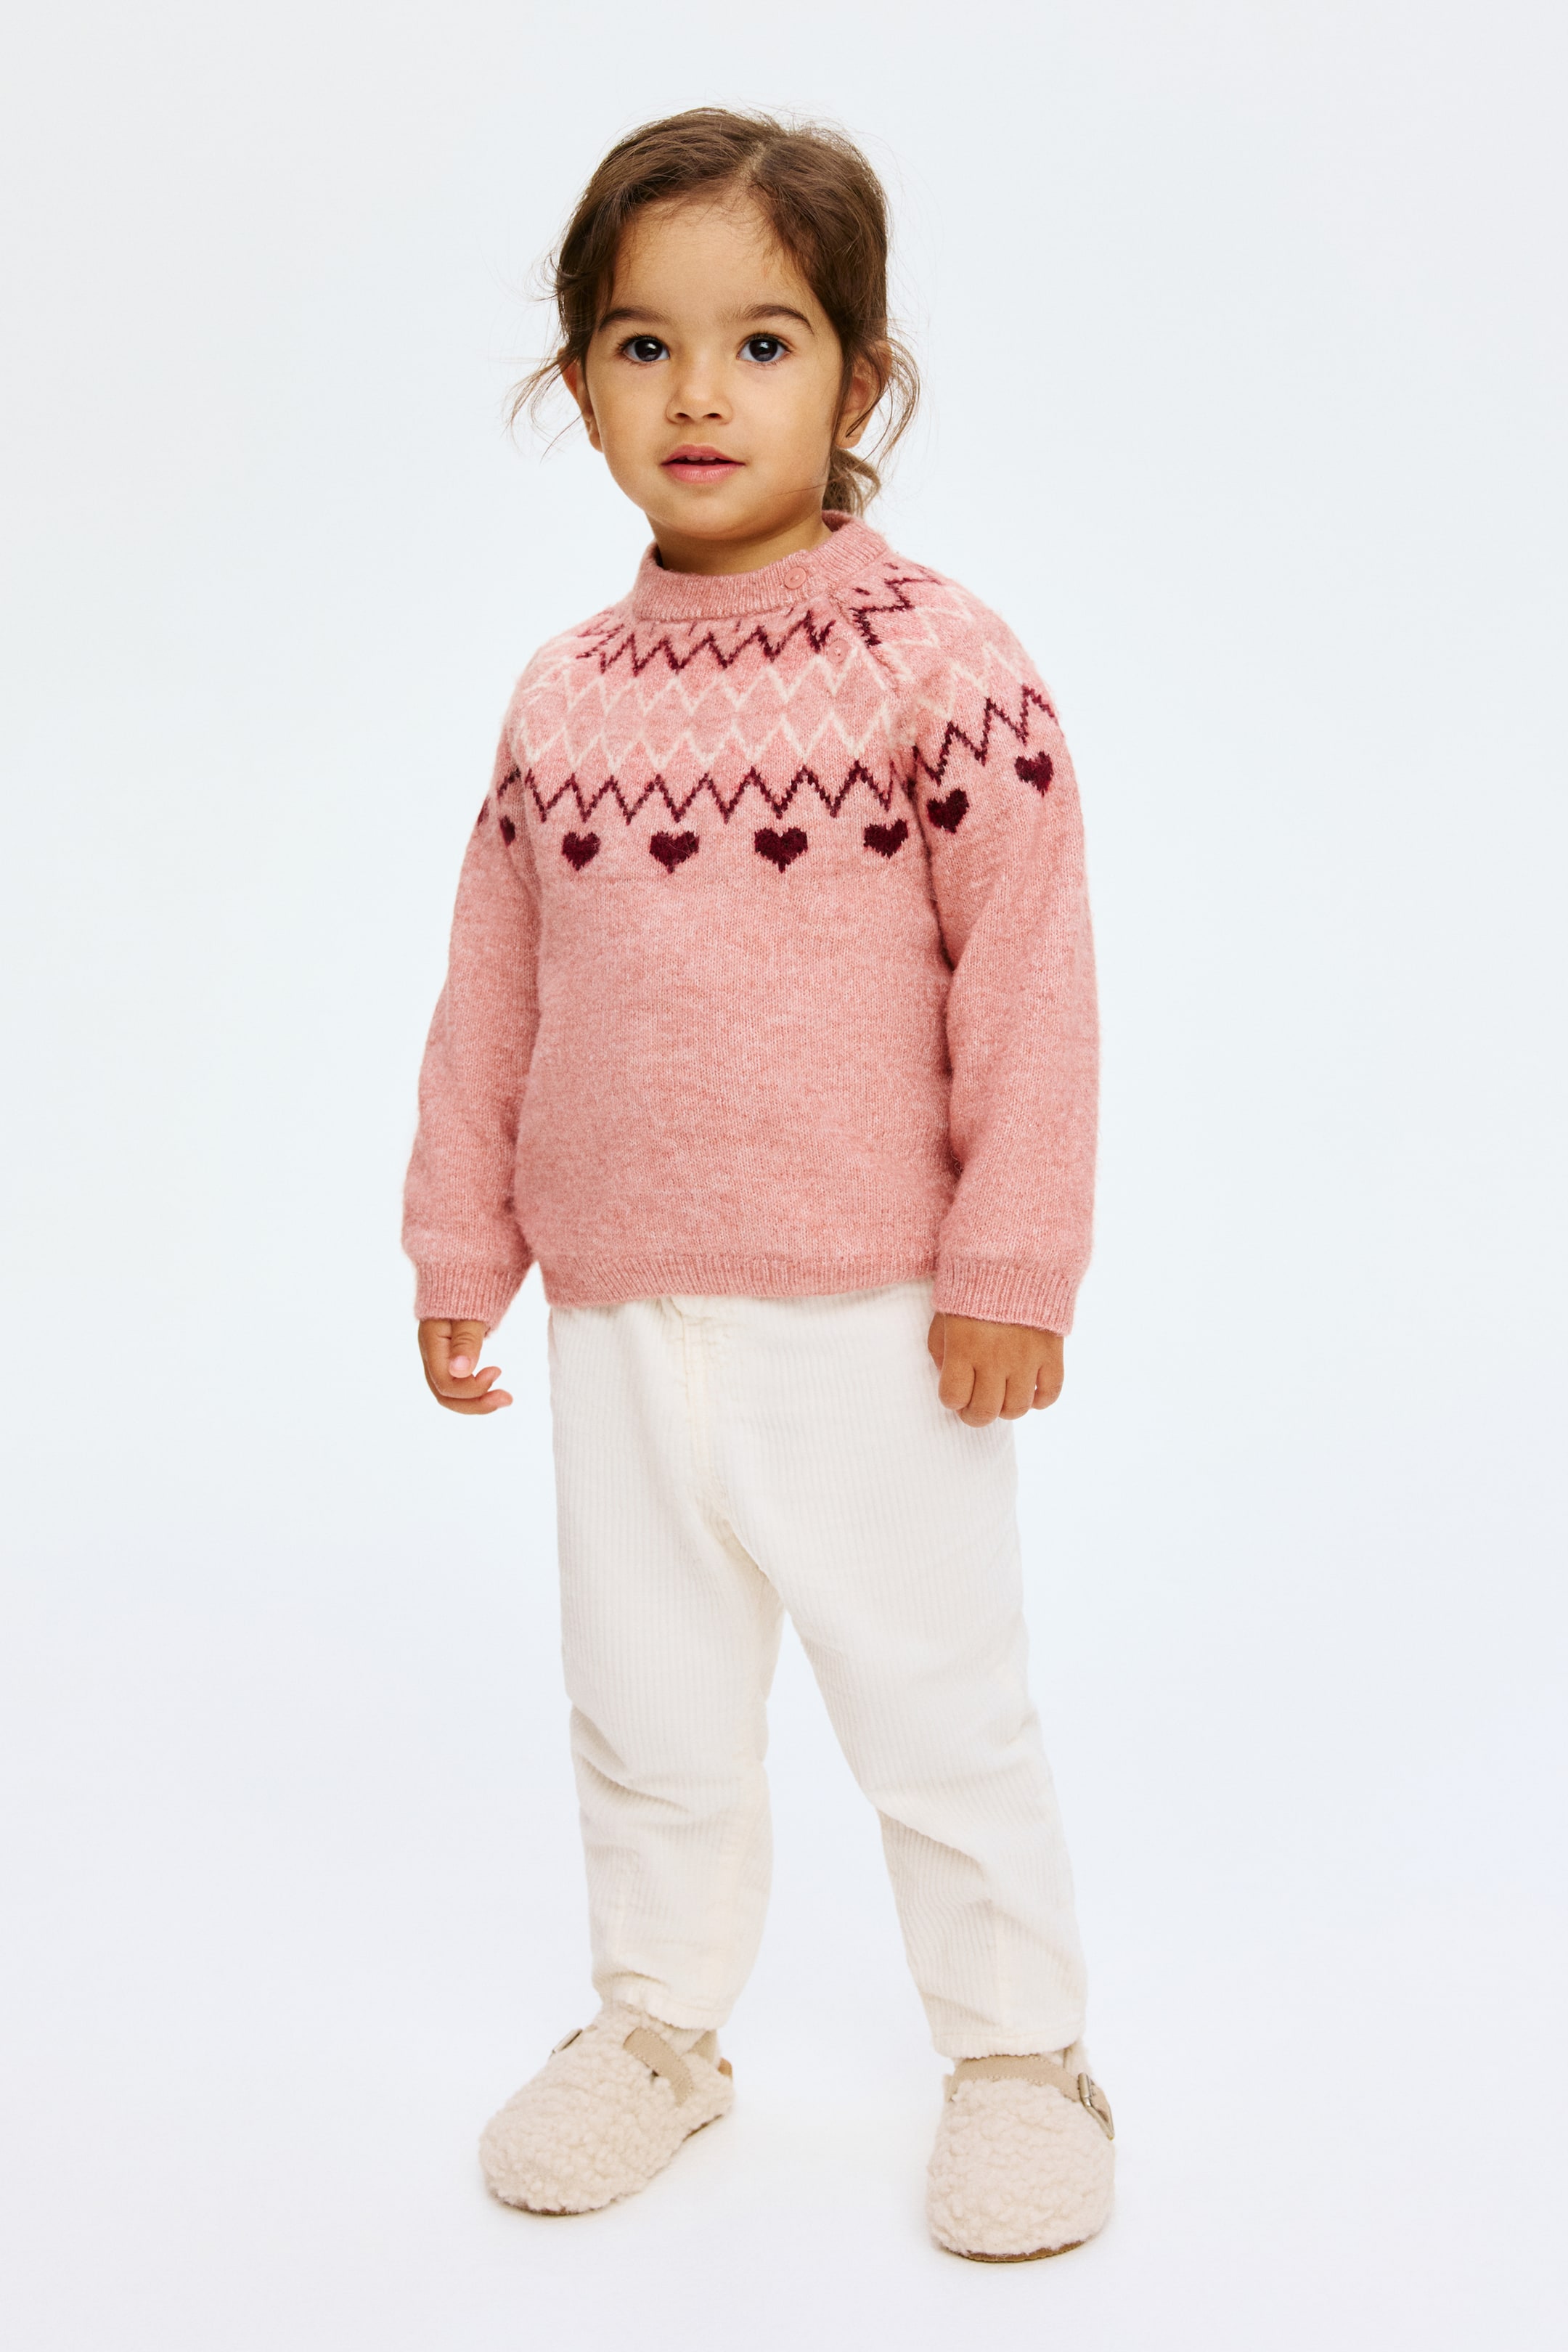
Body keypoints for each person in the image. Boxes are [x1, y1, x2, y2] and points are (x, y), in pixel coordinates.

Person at [403, 107, 1114, 2262]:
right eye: (643, 344)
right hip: (622, 1311)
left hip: (880, 1316)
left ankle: (1023, 2055)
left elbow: (1033, 980)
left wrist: (1015, 1266)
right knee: (648, 1709)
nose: (699, 393)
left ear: (860, 378)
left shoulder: (941, 666)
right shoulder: (561, 701)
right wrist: (460, 1240)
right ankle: (656, 2028)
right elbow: (491, 988)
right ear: (580, 381)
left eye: (764, 342)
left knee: (936, 1707)